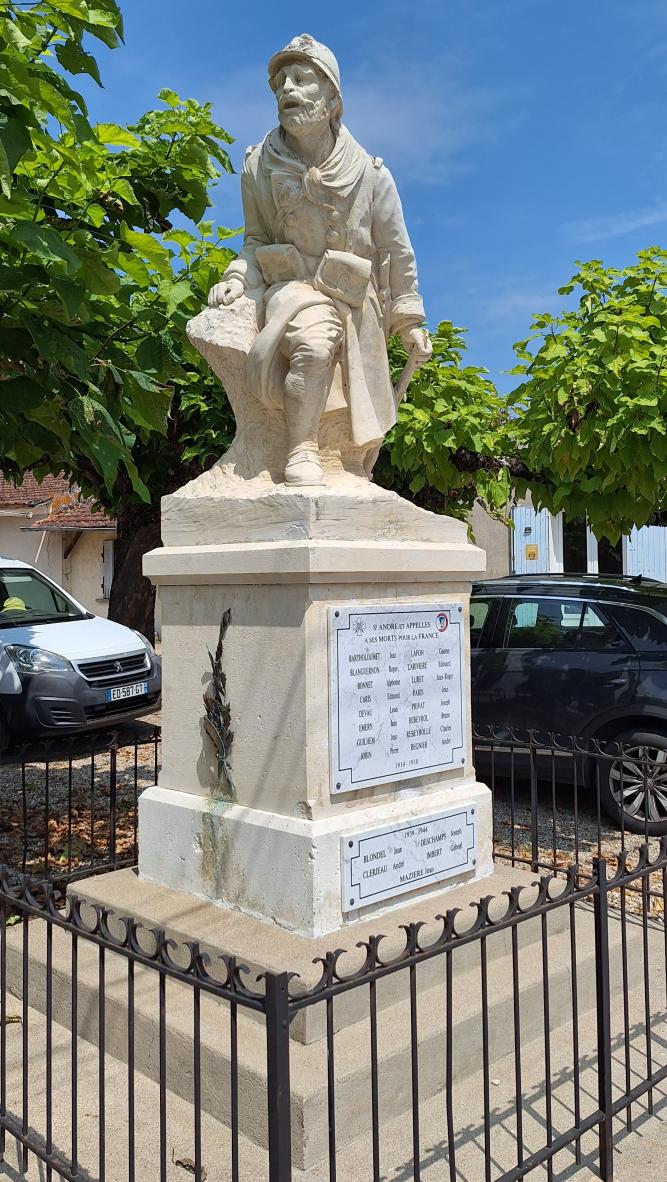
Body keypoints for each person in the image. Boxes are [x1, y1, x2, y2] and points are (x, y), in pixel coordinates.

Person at [207, 33, 431, 486]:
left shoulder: (370, 172)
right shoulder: (257, 167)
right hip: (292, 288)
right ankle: (302, 450)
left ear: (331, 96)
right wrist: (237, 278)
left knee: (349, 366)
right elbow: (254, 240)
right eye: (281, 83)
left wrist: (408, 322)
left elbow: (395, 250)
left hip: (353, 298)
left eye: (302, 79)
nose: (288, 89)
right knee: (312, 341)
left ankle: (342, 457)